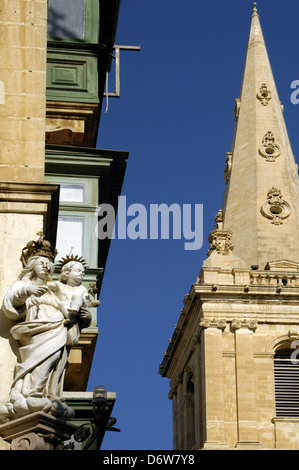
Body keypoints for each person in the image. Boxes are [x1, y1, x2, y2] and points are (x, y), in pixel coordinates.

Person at [0, 239, 92, 422]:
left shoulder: (52, 291)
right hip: (35, 331)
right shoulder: (23, 284)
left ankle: (44, 393)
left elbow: (70, 309)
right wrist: (27, 291)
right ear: (32, 265)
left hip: (56, 328)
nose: (46, 267)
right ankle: (28, 392)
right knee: (38, 361)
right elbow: (10, 305)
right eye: (42, 263)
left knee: (54, 361)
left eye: (48, 264)